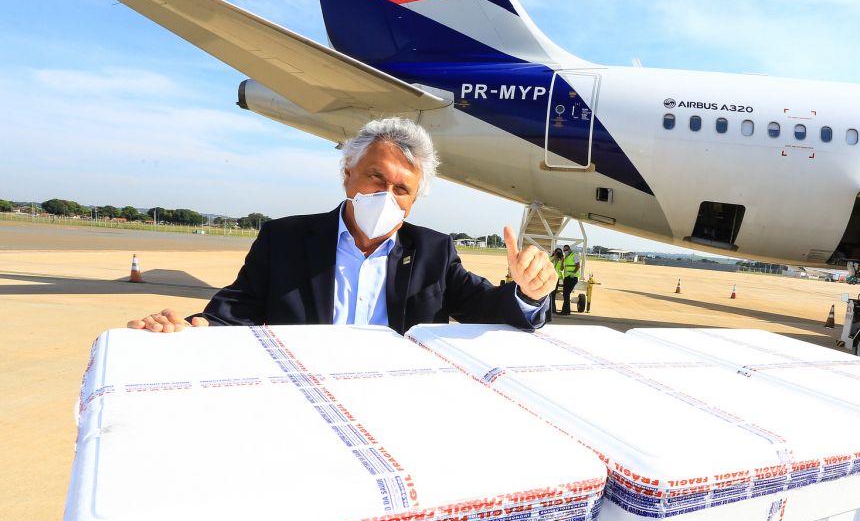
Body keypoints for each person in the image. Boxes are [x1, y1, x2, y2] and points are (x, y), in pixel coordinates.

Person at [128, 118, 556, 335]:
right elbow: (237, 310)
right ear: (348, 173)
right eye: (376, 178)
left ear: (413, 201)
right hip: (305, 397)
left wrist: (530, 292)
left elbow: (489, 307)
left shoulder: (433, 252)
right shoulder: (285, 239)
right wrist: (192, 326)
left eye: (402, 189)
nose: (387, 195)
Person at [559, 244, 580, 315]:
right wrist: (562, 261)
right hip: (567, 277)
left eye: (566, 250)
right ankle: (566, 311)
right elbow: (562, 268)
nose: (565, 251)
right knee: (566, 294)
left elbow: (578, 266)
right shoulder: (566, 257)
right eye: (564, 250)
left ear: (569, 249)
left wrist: (573, 273)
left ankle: (565, 311)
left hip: (572, 277)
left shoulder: (574, 255)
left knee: (566, 293)